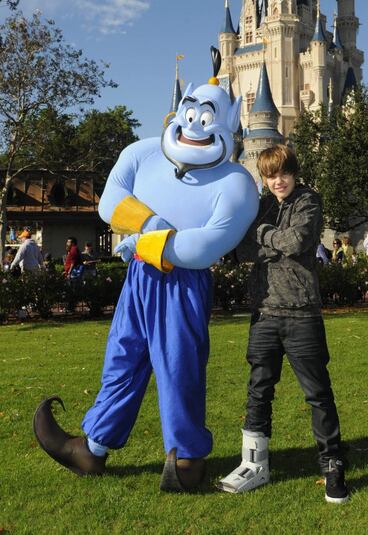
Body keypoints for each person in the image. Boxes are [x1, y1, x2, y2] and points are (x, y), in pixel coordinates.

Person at [33, 48, 259, 493]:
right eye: (191, 111)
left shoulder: (236, 183)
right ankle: (92, 448)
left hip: (181, 282)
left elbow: (206, 245)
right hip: (140, 276)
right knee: (122, 358)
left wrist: (151, 240)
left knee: (177, 366)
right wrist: (153, 226)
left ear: (229, 125)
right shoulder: (142, 153)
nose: (195, 123)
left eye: (208, 116)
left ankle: (187, 459)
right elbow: (109, 202)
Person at [218, 145, 348, 504]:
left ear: (293, 171)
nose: (278, 181)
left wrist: (261, 235)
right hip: (264, 313)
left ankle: (332, 463)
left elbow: (297, 241)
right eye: (271, 176)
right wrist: (270, 239)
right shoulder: (261, 206)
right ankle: (254, 464)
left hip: (301, 312)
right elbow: (242, 251)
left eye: (283, 173)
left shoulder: (308, 200)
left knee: (318, 393)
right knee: (258, 389)